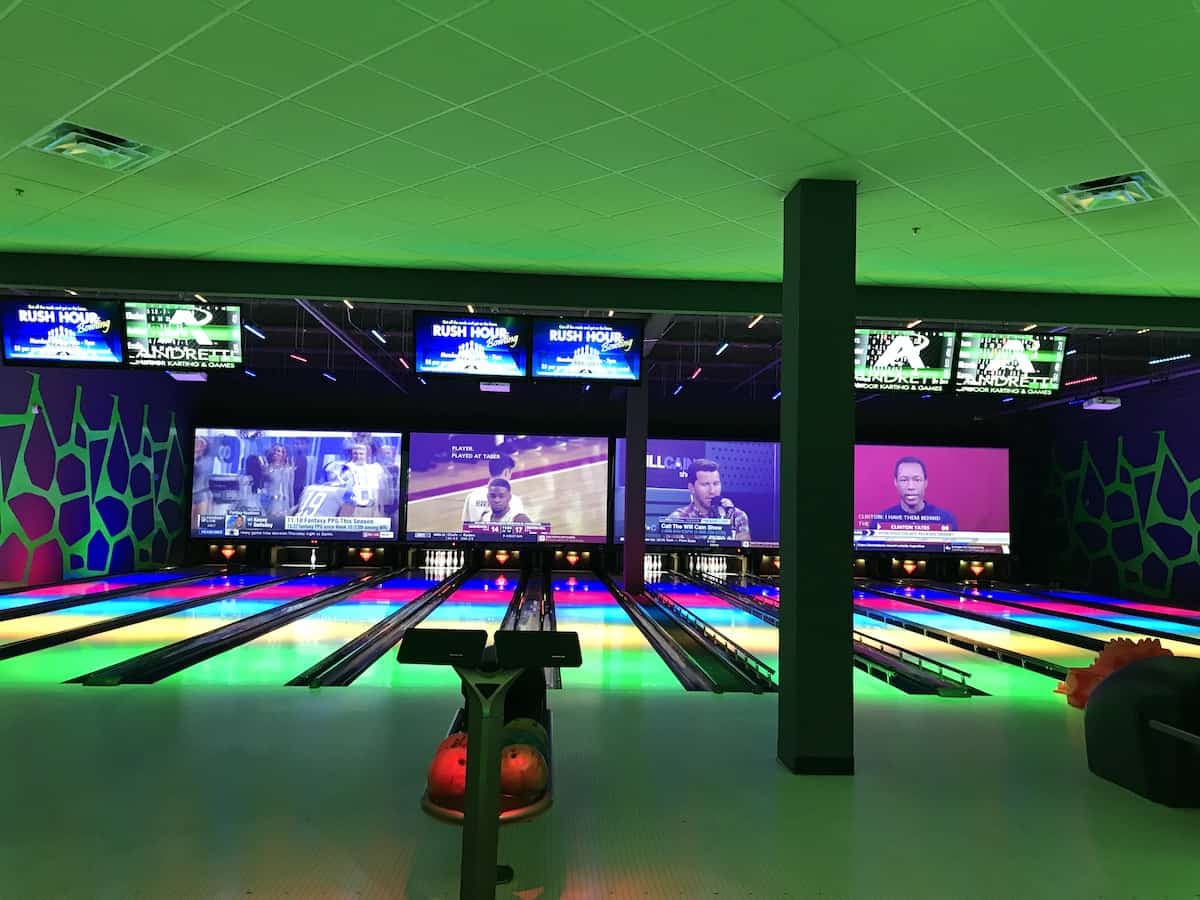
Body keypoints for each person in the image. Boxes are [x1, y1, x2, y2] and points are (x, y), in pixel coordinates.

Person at [665, 459, 750, 542]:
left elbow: (743, 553)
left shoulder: (737, 516)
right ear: (691, 488)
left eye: (716, 484)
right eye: (705, 484)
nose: (712, 491)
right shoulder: (677, 520)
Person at [872, 457, 958, 530]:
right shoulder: (880, 520)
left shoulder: (946, 519)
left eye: (917, 480)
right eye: (904, 480)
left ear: (925, 482)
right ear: (895, 482)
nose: (911, 487)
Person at [461, 454, 525, 523]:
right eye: (510, 473)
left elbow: (465, 527)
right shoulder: (514, 501)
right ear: (506, 472)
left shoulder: (471, 497)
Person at [346, 442, 385, 517]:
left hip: (371, 508)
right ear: (351, 454)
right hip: (353, 509)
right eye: (355, 453)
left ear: (366, 455)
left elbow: (377, 491)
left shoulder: (373, 469)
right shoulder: (347, 468)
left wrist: (378, 510)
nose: (358, 456)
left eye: (361, 454)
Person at [192, 436, 214, 523]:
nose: (199, 445)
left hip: (201, 494)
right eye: (199, 442)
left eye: (202, 445)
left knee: (197, 526)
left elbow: (199, 470)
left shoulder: (205, 461)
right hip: (193, 494)